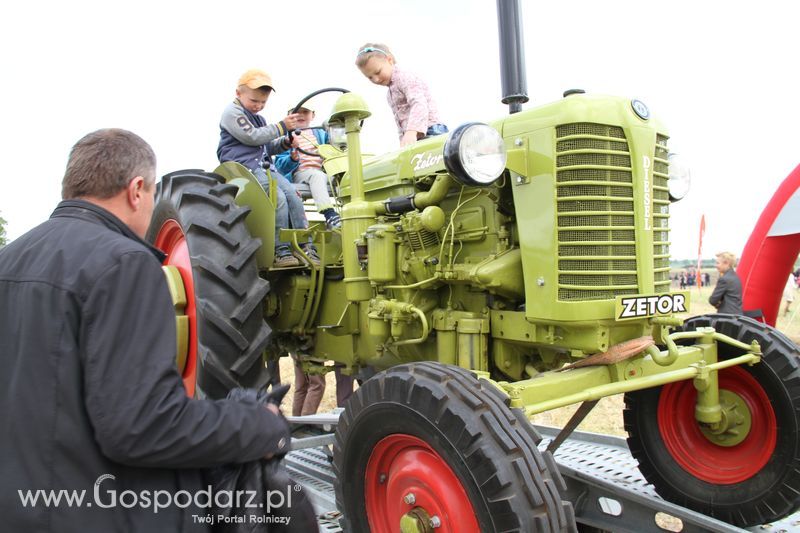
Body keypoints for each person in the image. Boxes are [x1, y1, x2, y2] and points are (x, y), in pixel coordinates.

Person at [0, 129, 291, 532]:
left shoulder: (9, 259)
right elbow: (143, 427)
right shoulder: (124, 263)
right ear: (137, 190)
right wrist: (260, 423)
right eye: (153, 193)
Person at [217, 68, 319, 267]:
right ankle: (280, 251)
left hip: (263, 168)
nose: (258, 106)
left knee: (292, 195)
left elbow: (264, 145)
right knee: (277, 198)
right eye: (254, 101)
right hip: (244, 168)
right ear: (239, 93)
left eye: (263, 102)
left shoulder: (259, 119)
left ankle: (305, 246)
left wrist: (285, 144)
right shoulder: (232, 112)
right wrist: (282, 126)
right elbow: (252, 137)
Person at [355, 43, 448, 147]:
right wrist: (403, 141)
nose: (376, 79)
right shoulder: (390, 94)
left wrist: (411, 132)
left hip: (430, 130)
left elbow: (419, 104)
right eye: (370, 77)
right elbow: (400, 121)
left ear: (389, 60)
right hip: (414, 137)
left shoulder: (404, 77)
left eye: (378, 72)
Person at [274, 104, 341, 230]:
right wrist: (292, 159)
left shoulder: (321, 133)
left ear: (313, 115)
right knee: (316, 176)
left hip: (324, 173)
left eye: (305, 111)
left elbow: (336, 145)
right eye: (296, 112)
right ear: (289, 116)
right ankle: (329, 214)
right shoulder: (286, 138)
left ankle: (350, 214)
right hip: (301, 173)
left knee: (346, 179)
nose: (300, 115)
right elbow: (280, 167)